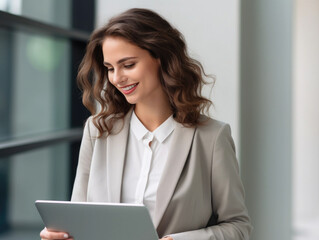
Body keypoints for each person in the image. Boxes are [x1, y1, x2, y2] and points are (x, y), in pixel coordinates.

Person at [40, 8, 252, 240]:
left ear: (161, 58)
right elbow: (78, 220)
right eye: (110, 68)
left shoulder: (211, 137)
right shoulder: (98, 130)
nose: (117, 78)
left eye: (128, 65)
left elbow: (238, 226)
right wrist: (60, 235)